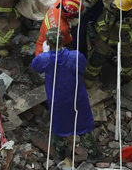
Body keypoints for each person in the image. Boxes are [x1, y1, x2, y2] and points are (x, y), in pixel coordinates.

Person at [31, 28, 96, 161]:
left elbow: (36, 67)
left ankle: (60, 151)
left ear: (48, 42)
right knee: (83, 123)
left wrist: (45, 53)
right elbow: (83, 68)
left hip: (58, 99)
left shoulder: (45, 59)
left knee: (60, 125)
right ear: (63, 40)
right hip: (77, 97)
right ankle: (92, 153)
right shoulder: (75, 56)